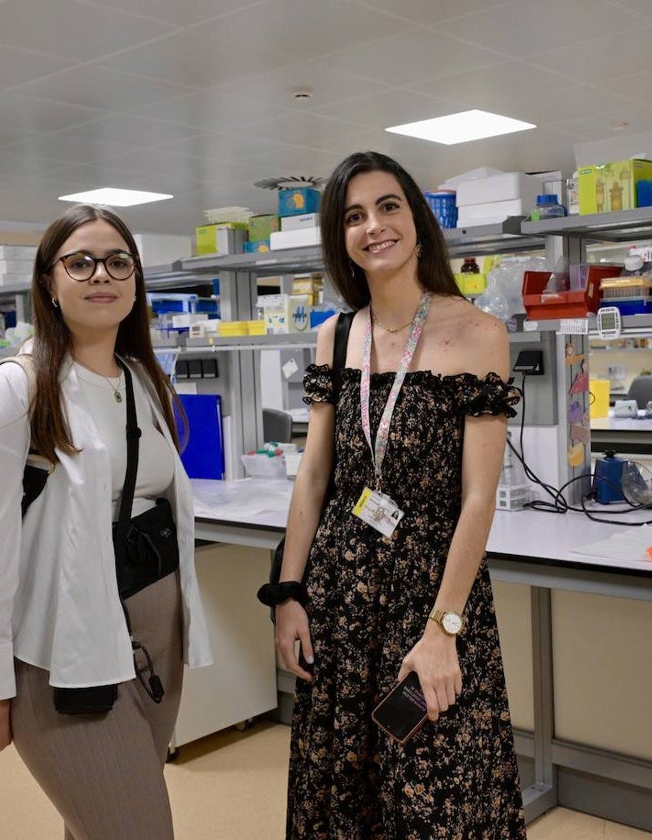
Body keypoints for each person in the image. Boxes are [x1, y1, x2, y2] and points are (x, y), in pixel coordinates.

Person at [270, 151, 527, 838]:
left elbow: (479, 498)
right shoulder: (335, 335)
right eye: (353, 216)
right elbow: (316, 476)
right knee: (344, 785)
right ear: (340, 237)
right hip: (342, 592)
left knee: (435, 788)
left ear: (416, 219)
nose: (373, 226)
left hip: (430, 595)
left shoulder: (478, 335)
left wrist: (444, 632)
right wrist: (289, 595)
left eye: (387, 207)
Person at [0, 204, 211, 840]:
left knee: (98, 825)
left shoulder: (142, 379)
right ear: (49, 283)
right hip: (65, 648)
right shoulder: (18, 391)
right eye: (80, 262)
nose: (102, 275)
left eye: (119, 261)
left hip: (153, 636)